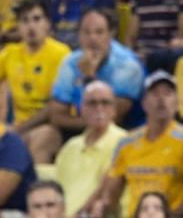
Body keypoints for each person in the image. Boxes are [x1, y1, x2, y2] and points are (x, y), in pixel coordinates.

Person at [76, 72, 183, 218]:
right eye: (155, 94)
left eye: (167, 93)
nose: (161, 99)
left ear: (177, 104)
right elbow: (112, 194)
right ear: (144, 103)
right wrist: (102, 206)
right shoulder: (127, 143)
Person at [0, 0, 71, 162]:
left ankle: (36, 186)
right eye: (24, 20)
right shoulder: (11, 53)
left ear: (47, 23)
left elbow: (54, 108)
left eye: (36, 19)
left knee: (41, 137)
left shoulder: (61, 54)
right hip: (18, 127)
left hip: (53, 126)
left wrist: (19, 128)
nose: (31, 26)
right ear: (18, 26)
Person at [44, 8, 145, 139]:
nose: (92, 38)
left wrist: (89, 77)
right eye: (86, 32)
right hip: (82, 130)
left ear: (111, 35)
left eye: (99, 32)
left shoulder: (127, 65)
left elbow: (113, 118)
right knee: (46, 135)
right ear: (78, 35)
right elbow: (56, 117)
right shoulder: (70, 62)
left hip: (126, 132)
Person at [51, 82, 127, 216]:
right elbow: (57, 193)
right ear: (81, 109)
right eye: (92, 103)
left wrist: (80, 214)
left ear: (114, 109)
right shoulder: (70, 147)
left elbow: (106, 190)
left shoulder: (124, 142)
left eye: (105, 103)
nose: (99, 108)